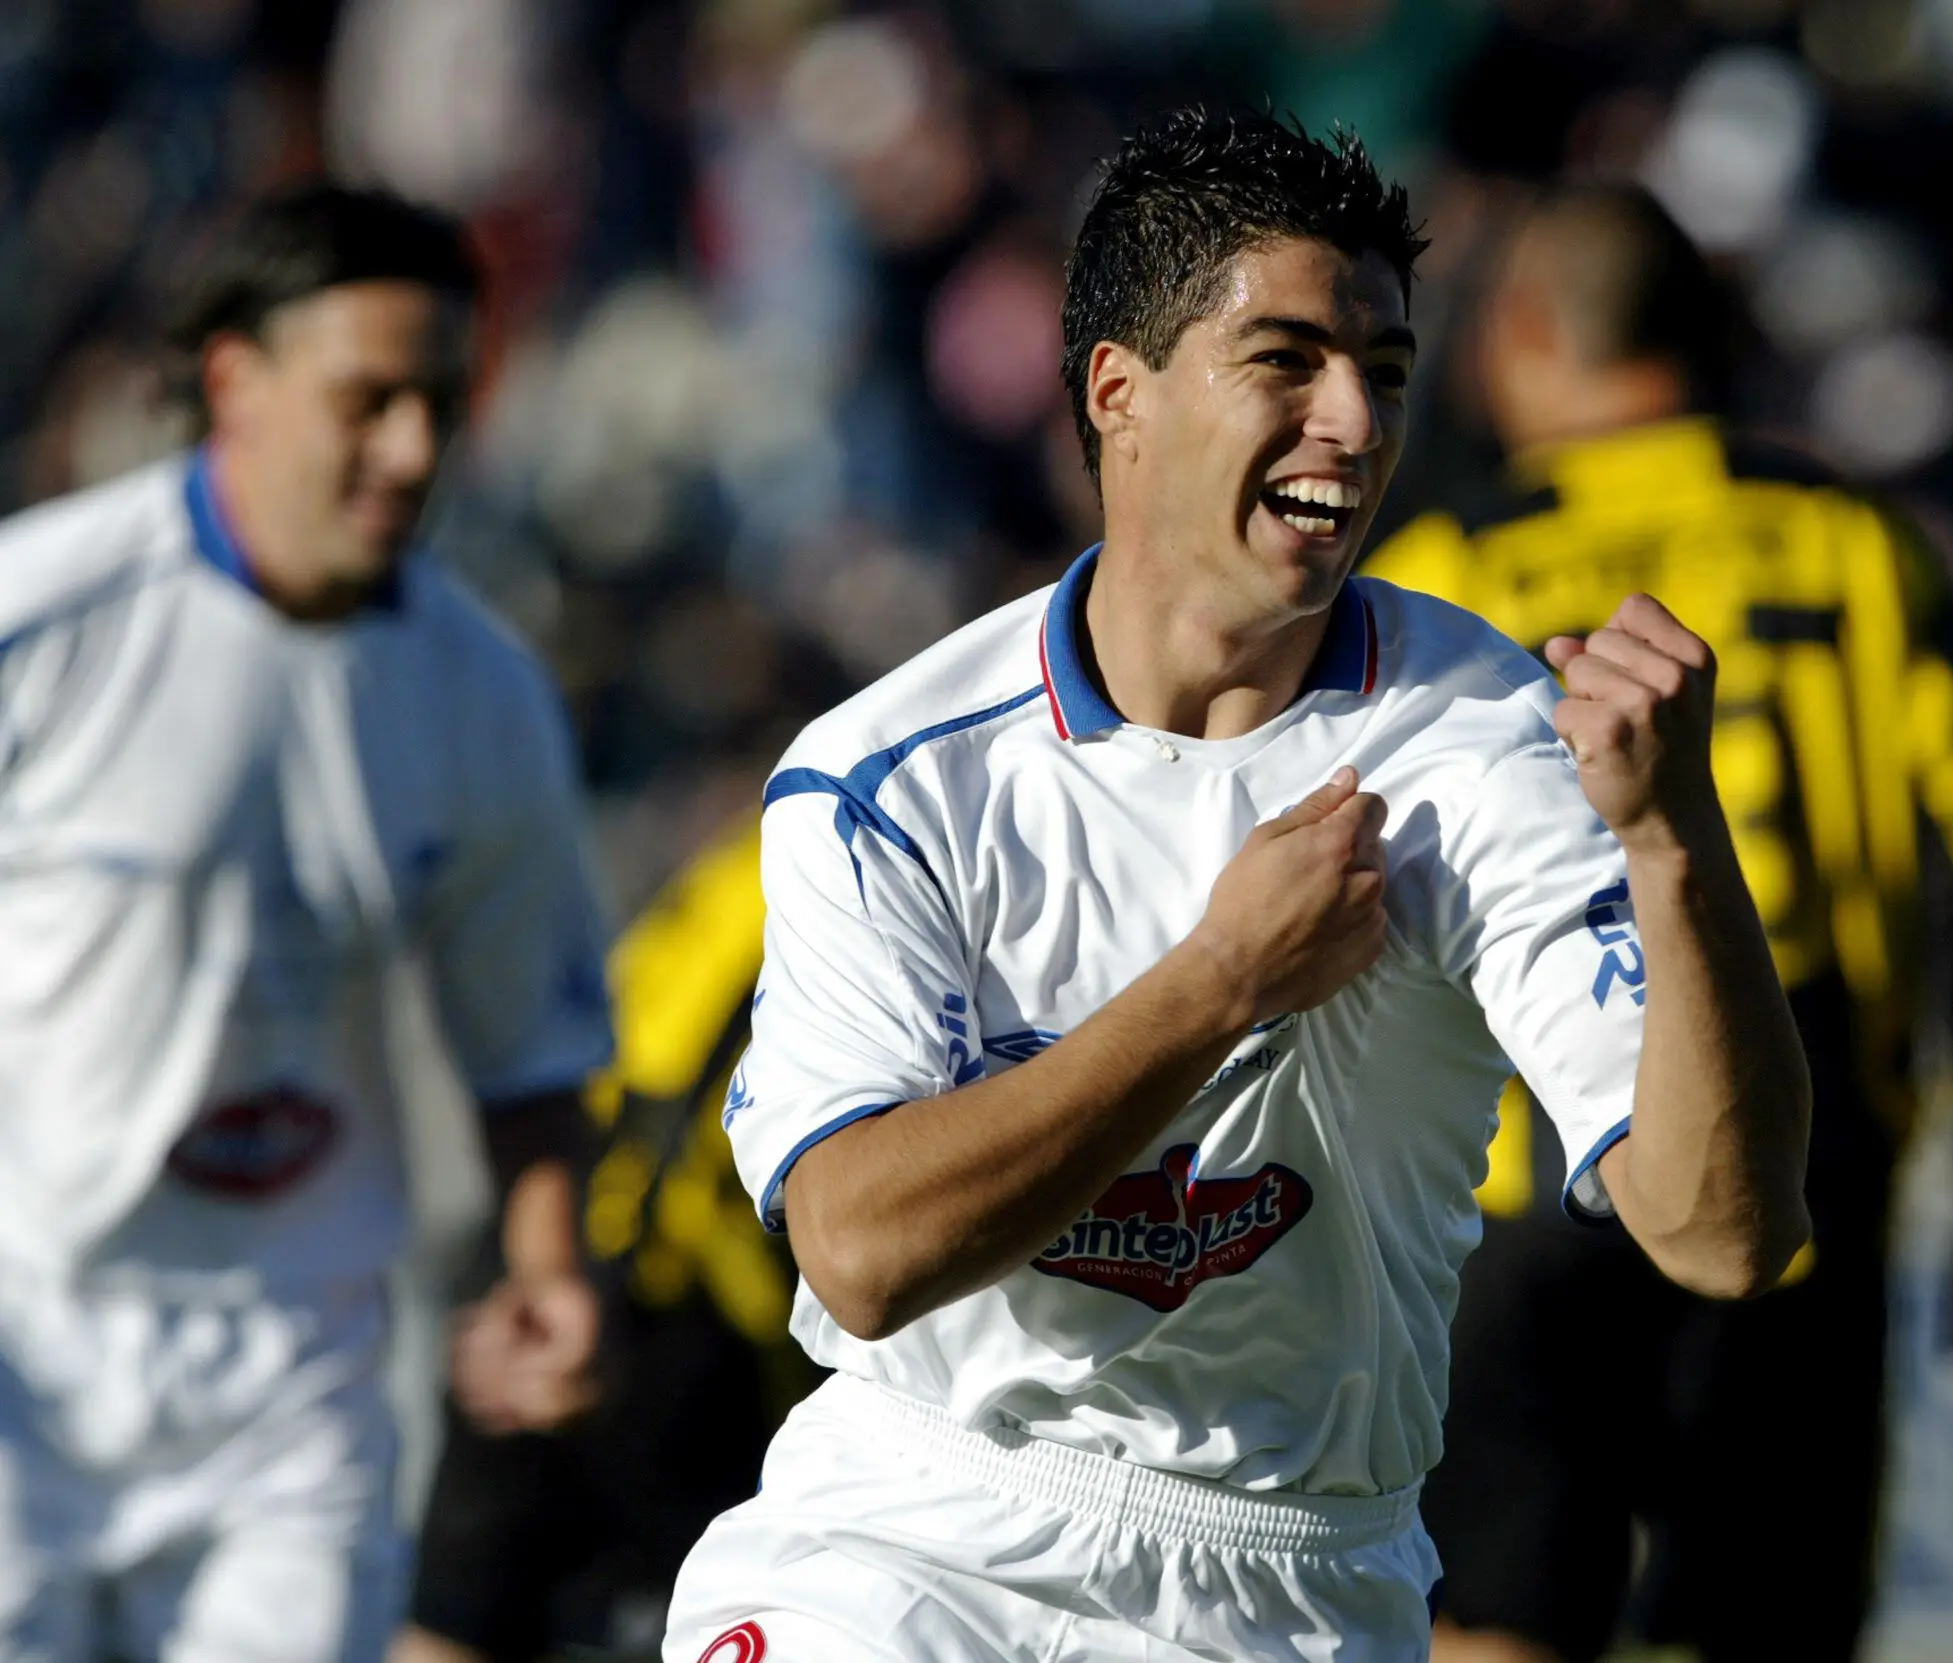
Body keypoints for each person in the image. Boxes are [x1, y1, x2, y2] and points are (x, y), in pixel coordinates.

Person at [660, 106, 1812, 1663]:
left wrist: (1678, 849)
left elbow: (1724, 1231)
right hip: (912, 1532)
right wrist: (1219, 983)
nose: (1353, 418)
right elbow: (860, 1253)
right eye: (1287, 358)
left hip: (1295, 1582)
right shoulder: (891, 774)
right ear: (1118, 394)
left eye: (1385, 371)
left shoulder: (1485, 744)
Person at [1361, 182, 1953, 1663]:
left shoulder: (1440, 571)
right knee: (1768, 1621)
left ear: (1526, 332)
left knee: (1492, 1620)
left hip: (1518, 1170)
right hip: (1798, 1158)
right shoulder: (1863, 548)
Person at [0, 182, 615, 1663]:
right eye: (367, 400)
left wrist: (549, 1267)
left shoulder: (482, 695)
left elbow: (528, 1043)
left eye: (440, 405)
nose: (411, 450)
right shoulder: (41, 618)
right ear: (235, 380)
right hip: (29, 1347)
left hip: (301, 1378)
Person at [395, 816, 818, 1663]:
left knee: (458, 1611)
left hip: (552, 1237)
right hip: (674, 1305)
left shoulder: (771, 840)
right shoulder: (878, 844)